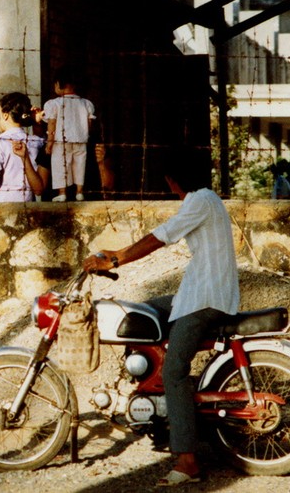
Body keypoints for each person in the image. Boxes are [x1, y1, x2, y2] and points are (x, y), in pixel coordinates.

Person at [82, 150, 240, 486]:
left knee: (175, 371)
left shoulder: (199, 201)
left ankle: (187, 461)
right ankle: (148, 379)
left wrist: (116, 260)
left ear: (172, 181)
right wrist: (116, 254)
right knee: (144, 311)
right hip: (196, 293)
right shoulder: (207, 199)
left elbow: (159, 238)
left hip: (205, 299)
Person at [43, 66, 95, 202]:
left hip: (61, 141)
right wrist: (85, 135)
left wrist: (49, 141)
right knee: (79, 164)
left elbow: (52, 124)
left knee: (61, 164)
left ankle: (62, 193)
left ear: (59, 84)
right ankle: (79, 191)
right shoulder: (86, 103)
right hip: (80, 140)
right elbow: (89, 124)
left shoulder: (54, 104)